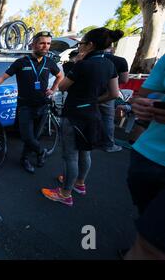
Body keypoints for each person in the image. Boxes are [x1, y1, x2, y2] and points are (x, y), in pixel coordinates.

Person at [41, 27, 120, 206]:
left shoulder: (83, 65)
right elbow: (114, 93)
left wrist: (75, 62)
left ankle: (65, 193)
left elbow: (63, 87)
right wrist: (94, 100)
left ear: (90, 45)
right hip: (93, 113)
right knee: (85, 151)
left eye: (82, 43)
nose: (80, 46)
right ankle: (79, 183)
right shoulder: (110, 64)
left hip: (75, 114)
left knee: (70, 155)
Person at [0, 31, 64, 174]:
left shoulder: (49, 62)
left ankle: (25, 159)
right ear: (33, 44)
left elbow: (60, 76)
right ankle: (41, 152)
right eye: (42, 43)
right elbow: (3, 77)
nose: (46, 46)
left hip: (42, 105)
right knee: (27, 136)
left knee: (34, 136)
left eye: (48, 43)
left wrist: (52, 89)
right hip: (25, 106)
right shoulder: (21, 62)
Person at [122, 55, 165, 260]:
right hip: (147, 156)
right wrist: (142, 105)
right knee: (147, 228)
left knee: (149, 247)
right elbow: (143, 96)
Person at [99, 30, 130, 153]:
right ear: (113, 47)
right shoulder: (120, 61)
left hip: (90, 90)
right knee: (107, 118)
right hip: (109, 92)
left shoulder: (90, 58)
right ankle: (108, 144)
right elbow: (124, 79)